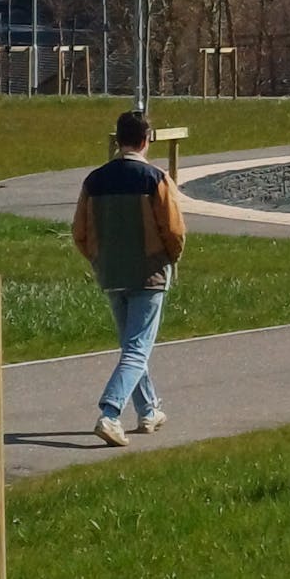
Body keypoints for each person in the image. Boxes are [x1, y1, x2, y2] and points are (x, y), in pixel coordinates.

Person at [72, 110, 186, 447]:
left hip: (111, 272)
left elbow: (79, 231)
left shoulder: (93, 181)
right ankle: (110, 413)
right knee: (138, 349)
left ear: (118, 138)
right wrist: (169, 258)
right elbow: (174, 229)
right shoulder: (155, 178)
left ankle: (149, 409)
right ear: (146, 139)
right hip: (148, 273)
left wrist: (98, 258)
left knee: (131, 347)